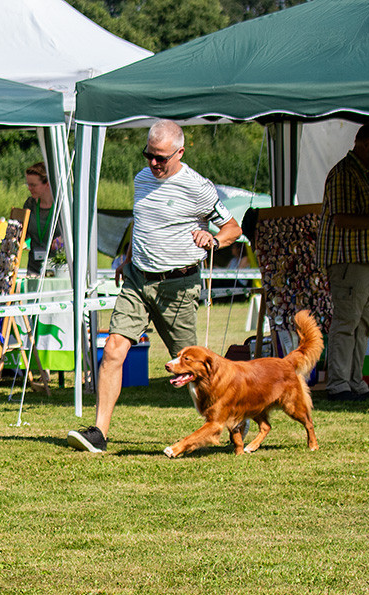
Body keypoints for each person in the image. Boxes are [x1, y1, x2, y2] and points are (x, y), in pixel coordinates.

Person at [67, 120, 242, 453]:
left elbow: (233, 228)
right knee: (113, 349)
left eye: (161, 157)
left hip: (177, 286)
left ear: (180, 152)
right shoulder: (142, 178)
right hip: (137, 279)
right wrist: (127, 258)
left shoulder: (198, 188)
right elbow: (142, 222)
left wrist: (213, 239)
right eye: (148, 155)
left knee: (197, 368)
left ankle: (233, 419)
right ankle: (99, 434)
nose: (153, 163)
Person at [318, 123, 369, 401]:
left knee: (361, 325)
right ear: (364, 144)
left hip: (363, 262)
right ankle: (338, 384)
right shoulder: (344, 173)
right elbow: (342, 218)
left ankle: (354, 382)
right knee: (346, 323)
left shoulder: (362, 174)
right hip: (348, 262)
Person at [22, 161, 63, 273]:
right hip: (34, 268)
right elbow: (22, 234)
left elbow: (77, 233)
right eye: (28, 184)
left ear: (47, 184)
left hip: (59, 268)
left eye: (33, 185)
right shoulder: (30, 205)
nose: (29, 188)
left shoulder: (63, 206)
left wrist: (63, 240)